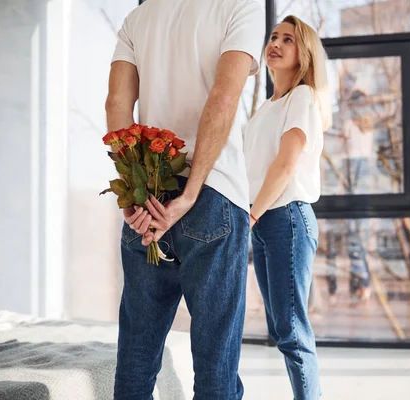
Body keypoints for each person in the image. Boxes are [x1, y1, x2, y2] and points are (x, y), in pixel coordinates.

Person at [105, 0, 264, 398]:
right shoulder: (240, 7)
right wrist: (191, 193)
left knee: (136, 358)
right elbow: (224, 98)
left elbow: (117, 105)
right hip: (211, 194)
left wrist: (132, 188)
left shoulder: (138, 18)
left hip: (149, 197)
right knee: (215, 365)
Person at [243, 15, 331, 400]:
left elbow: (286, 164)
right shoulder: (265, 109)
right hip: (266, 220)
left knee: (292, 331)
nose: (275, 43)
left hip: (286, 218)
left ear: (304, 54)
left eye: (288, 40)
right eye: (274, 37)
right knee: (283, 329)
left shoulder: (303, 97)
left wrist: (251, 214)